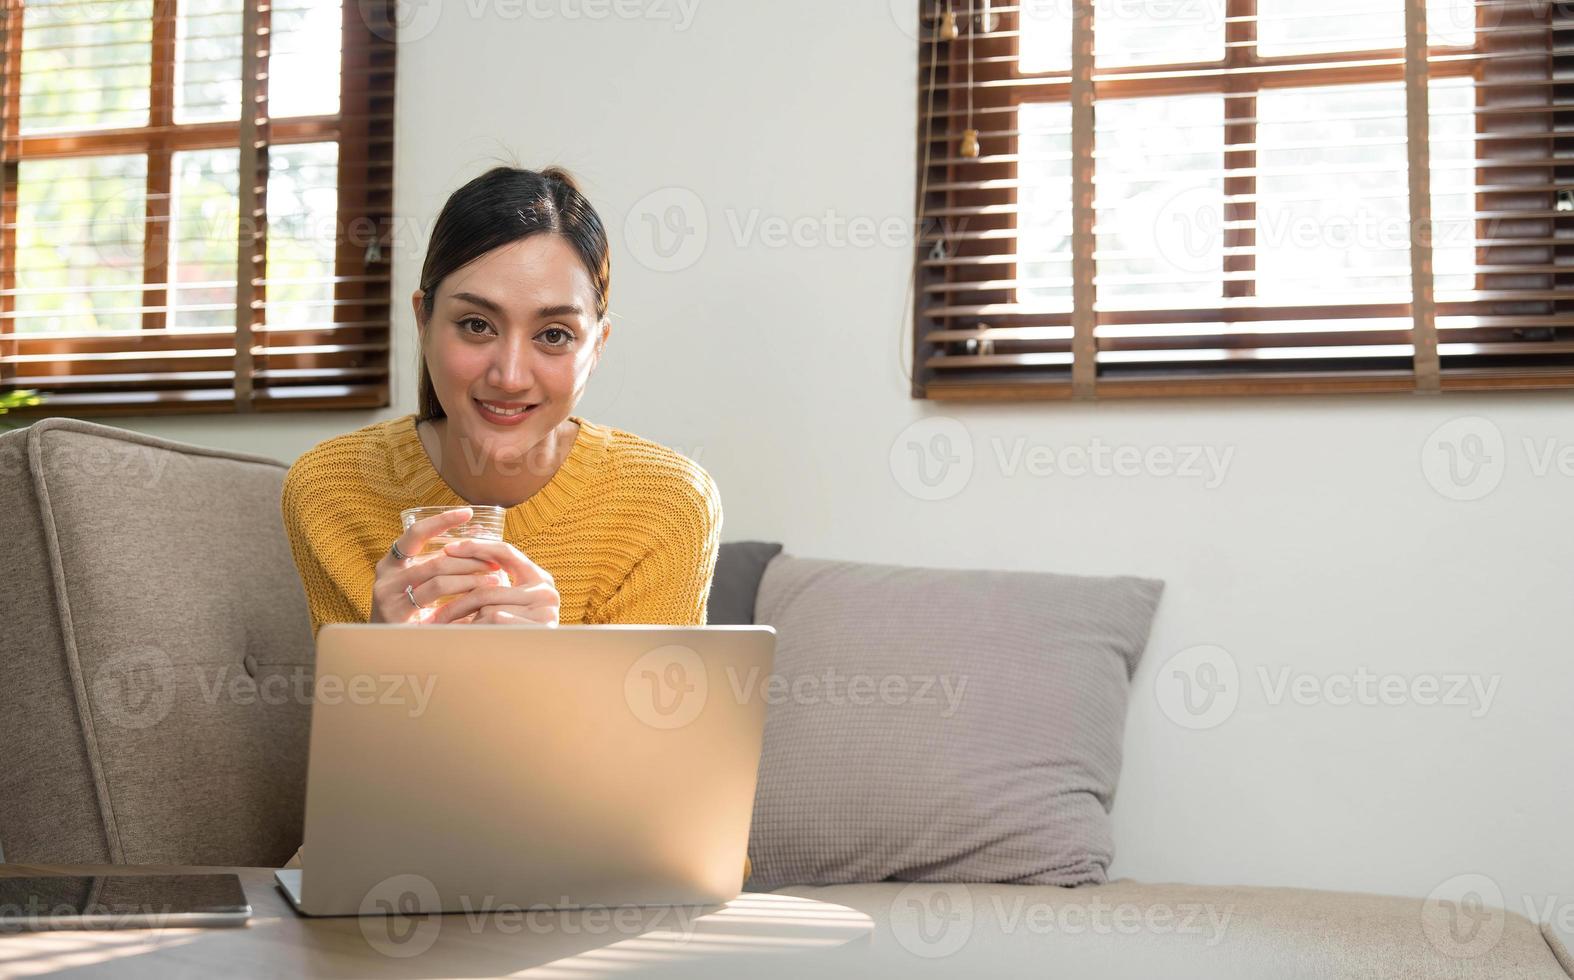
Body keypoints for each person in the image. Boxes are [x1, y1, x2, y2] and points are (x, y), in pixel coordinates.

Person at [281, 166, 721, 635]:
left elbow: (652, 710)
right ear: (423, 322)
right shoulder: (332, 490)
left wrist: (544, 662)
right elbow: (353, 709)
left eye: (554, 334)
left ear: (598, 346)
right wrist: (379, 654)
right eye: (476, 325)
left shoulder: (668, 505)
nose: (510, 377)